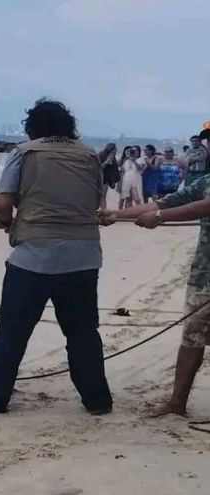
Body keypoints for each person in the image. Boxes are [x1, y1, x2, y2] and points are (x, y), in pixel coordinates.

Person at [0, 99, 113, 415]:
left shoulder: (25, 152)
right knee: (82, 333)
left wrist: (5, 221)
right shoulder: (89, 154)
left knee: (12, 331)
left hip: (33, 256)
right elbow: (95, 201)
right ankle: (97, 400)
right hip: (83, 256)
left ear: (32, 126)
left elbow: (3, 202)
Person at [100, 174, 210, 418]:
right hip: (204, 274)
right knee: (193, 335)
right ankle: (177, 403)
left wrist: (161, 218)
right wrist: (117, 215)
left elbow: (203, 206)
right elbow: (165, 202)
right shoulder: (206, 181)